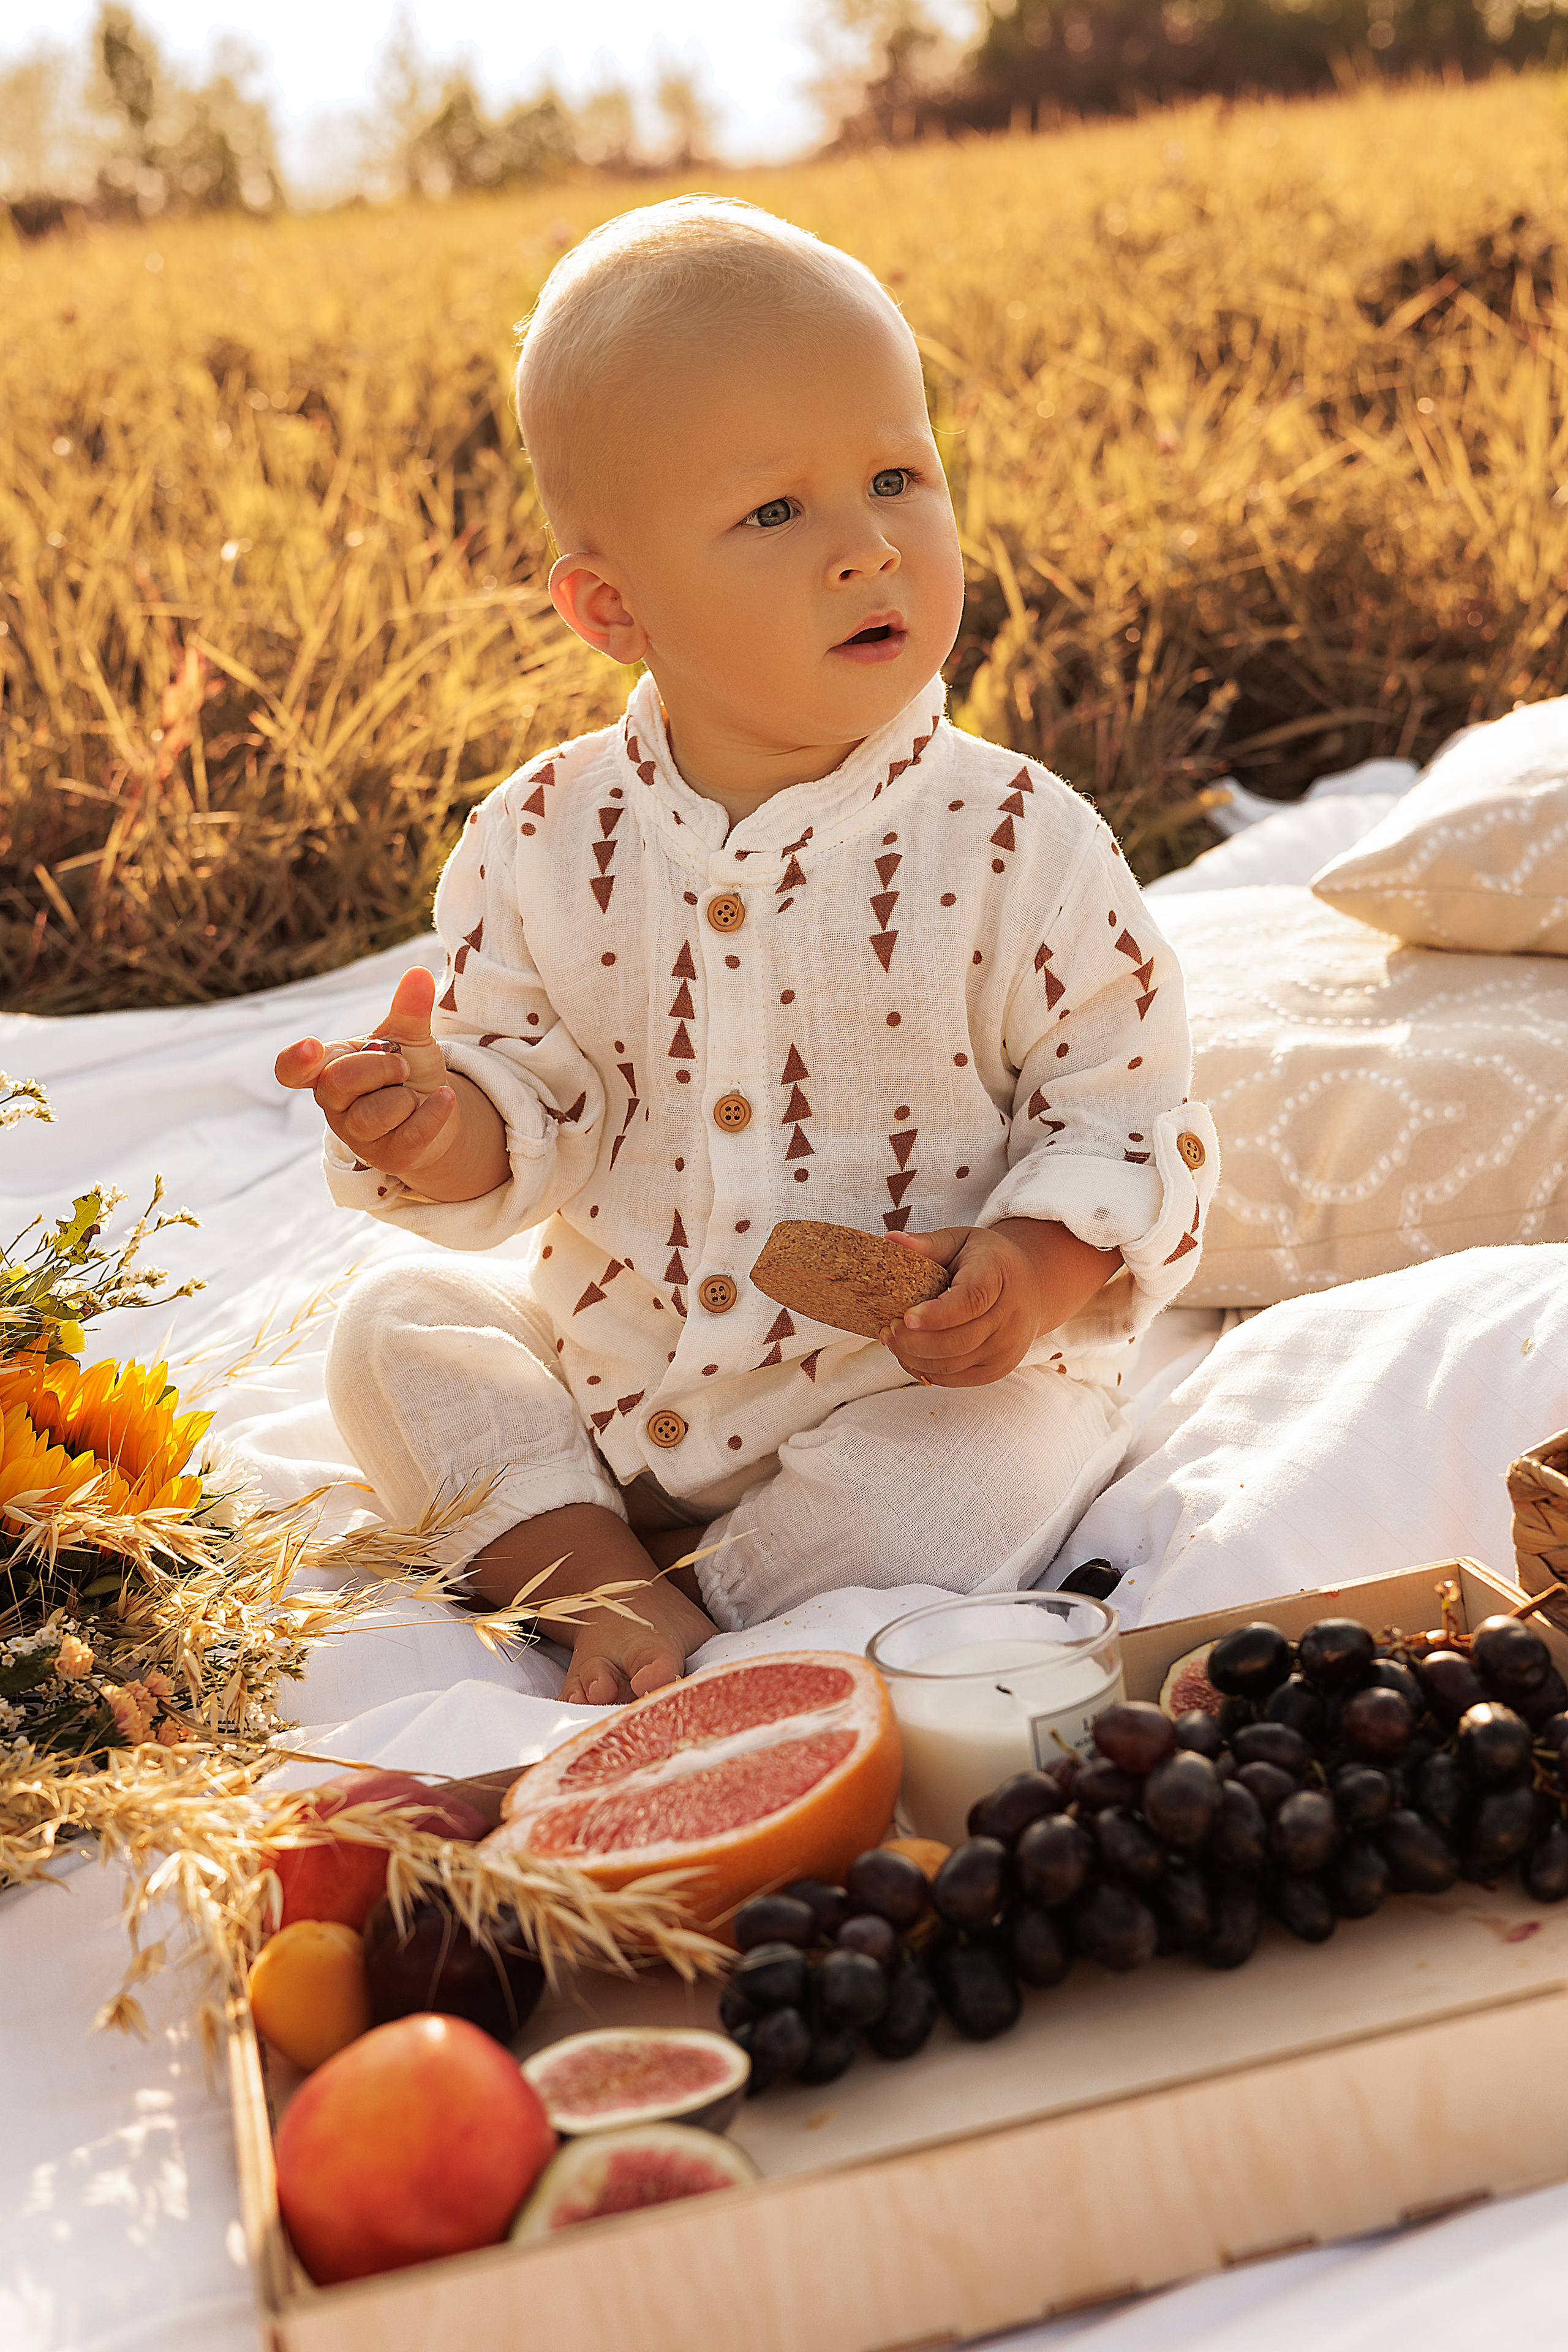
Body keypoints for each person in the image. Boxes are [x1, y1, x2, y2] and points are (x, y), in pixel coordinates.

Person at [275, 196, 1219, 1707]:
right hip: (612, 1377)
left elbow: (1122, 1109)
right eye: (774, 512)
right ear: (610, 605)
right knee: (392, 1331)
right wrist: (436, 1124)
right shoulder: (536, 838)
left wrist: (1026, 1277)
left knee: (1009, 1454)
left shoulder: (1012, 839)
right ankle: (599, 1564)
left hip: (901, 1388)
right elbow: (527, 1116)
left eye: (896, 476)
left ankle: (694, 1610)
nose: (865, 547)